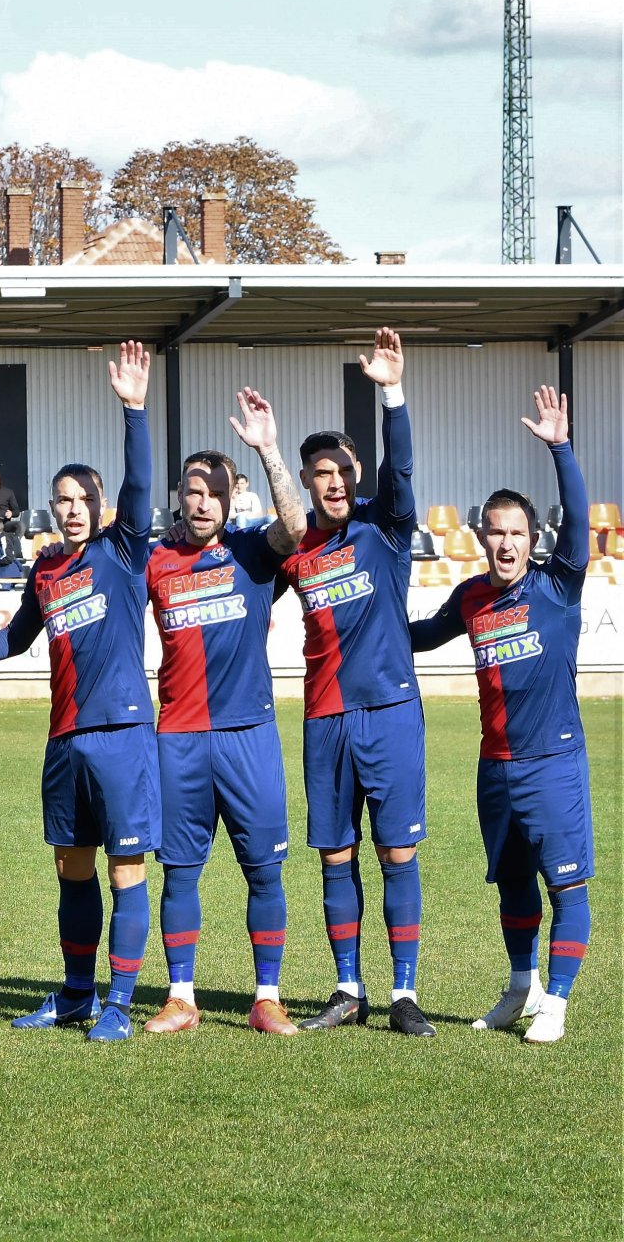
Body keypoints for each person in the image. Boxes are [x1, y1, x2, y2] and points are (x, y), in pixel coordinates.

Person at [0, 341, 157, 1043]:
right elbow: (14, 640)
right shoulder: (45, 569)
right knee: (73, 869)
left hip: (124, 735)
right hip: (65, 739)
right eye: (63, 501)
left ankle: (121, 1002)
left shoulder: (125, 550)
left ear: (102, 507)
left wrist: (133, 410)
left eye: (84, 500)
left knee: (125, 870)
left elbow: (139, 488)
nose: (73, 510)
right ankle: (76, 994)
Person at [409, 386, 590, 1044]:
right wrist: (363, 624)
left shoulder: (558, 584)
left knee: (567, 888)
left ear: (531, 538)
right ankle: (523, 986)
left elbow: (576, 520)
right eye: (496, 531)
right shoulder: (473, 597)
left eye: (517, 532)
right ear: (481, 536)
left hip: (554, 764)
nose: (506, 543)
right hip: (496, 770)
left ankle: (558, 1003)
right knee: (513, 885)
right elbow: (422, 636)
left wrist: (560, 448)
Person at [141, 390, 308, 1037]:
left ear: (232, 495)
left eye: (214, 489)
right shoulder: (156, 559)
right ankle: (181, 996)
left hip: (248, 737)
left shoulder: (254, 553)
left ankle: (267, 997)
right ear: (180, 496)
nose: (202, 499)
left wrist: (268, 450)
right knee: (180, 873)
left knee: (263, 870)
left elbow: (296, 527)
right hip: (179, 740)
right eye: (192, 489)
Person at [280, 328, 432, 1038]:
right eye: (321, 474)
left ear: (356, 473)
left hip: (391, 713)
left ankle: (404, 994)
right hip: (325, 719)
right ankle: (349, 988)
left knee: (396, 852)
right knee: (335, 853)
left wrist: (391, 392)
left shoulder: (387, 530)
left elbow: (402, 471)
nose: (334, 483)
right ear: (308, 483)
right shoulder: (293, 548)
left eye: (342, 471)